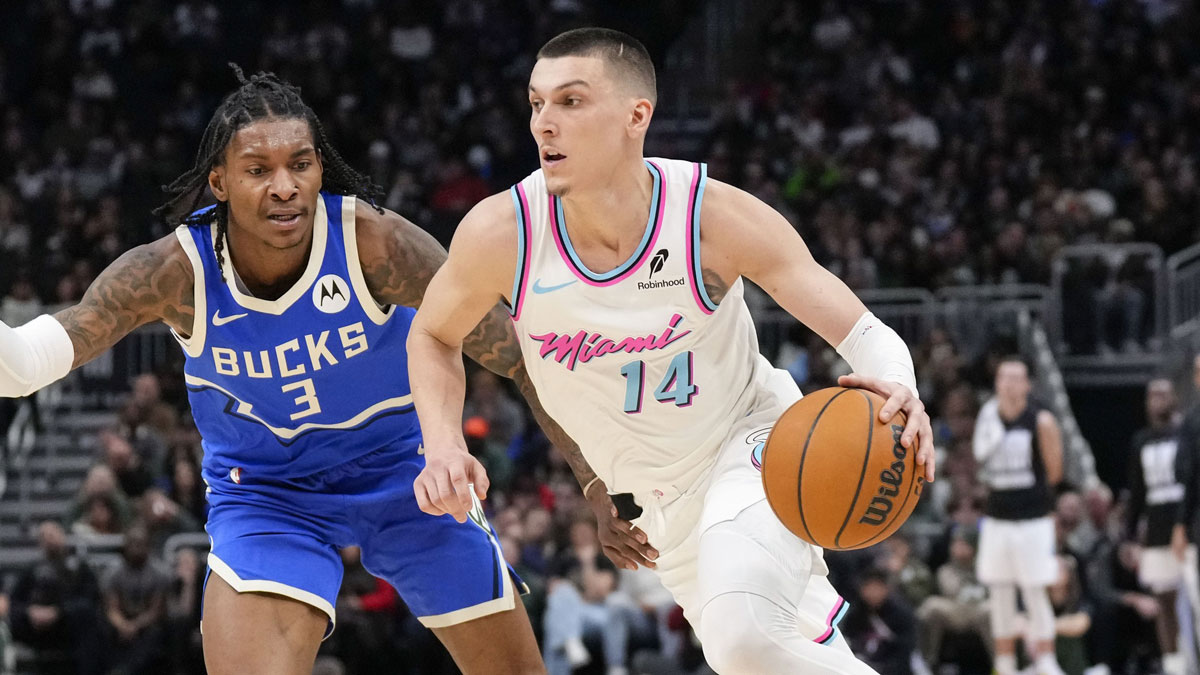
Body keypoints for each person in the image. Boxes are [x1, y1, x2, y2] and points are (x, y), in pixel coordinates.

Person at [0, 67, 573, 674]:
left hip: (407, 470)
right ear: (218, 181)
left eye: (301, 164)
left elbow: (518, 356)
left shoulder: (374, 244)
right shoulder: (174, 272)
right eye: (258, 170)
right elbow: (26, 364)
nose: (285, 187)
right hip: (269, 493)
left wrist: (596, 482)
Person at [407, 27, 934, 674]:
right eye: (536, 103)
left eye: (570, 102)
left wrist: (898, 383)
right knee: (766, 653)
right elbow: (432, 334)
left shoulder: (709, 218)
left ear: (637, 116)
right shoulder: (501, 233)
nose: (545, 123)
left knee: (744, 638)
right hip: (661, 515)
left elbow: (861, 329)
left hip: (753, 449)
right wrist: (442, 444)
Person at [973, 356, 1065, 675]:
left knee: (1035, 590)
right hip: (997, 519)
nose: (1010, 384)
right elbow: (978, 464)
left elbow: (1055, 472)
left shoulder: (1041, 420)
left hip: (1033, 519)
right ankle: (1005, 664)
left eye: (1017, 378)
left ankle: (1046, 660)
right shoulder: (986, 418)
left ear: (1027, 384)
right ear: (997, 382)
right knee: (1000, 592)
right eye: (1004, 377)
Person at [1127, 377, 1188, 674]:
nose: (1158, 400)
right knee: (1164, 601)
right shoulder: (1141, 441)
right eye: (1152, 395)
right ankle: (1173, 663)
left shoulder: (1187, 433)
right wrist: (1129, 535)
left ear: (1175, 398)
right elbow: (1136, 492)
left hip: (1190, 529)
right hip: (1156, 531)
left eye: (1163, 394)